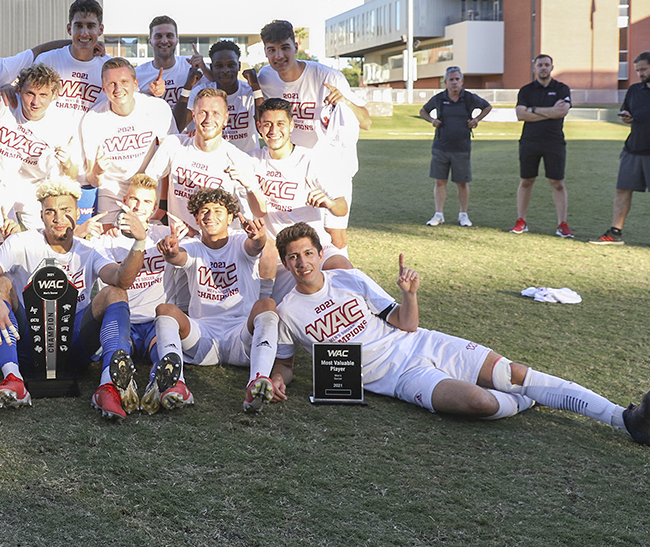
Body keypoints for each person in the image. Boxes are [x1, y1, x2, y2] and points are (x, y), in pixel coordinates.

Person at [265, 222, 650, 445]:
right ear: (285, 263)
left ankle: (625, 419)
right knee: (481, 402)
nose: (302, 263)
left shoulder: (349, 278)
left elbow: (406, 323)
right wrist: (276, 382)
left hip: (421, 342)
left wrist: (409, 294)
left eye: (308, 253)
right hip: (399, 378)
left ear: (319, 253)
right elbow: (285, 364)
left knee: (514, 373)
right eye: (293, 258)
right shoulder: (288, 311)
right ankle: (531, 399)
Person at [0, 178, 146, 411]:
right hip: (28, 344)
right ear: (41, 214)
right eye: (50, 211)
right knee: (0, 283)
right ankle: (13, 378)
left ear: (77, 213)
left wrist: (140, 242)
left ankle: (109, 385)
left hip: (73, 346)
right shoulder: (22, 241)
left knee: (115, 293)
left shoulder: (89, 250)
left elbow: (121, 279)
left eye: (66, 211)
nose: (58, 218)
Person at [141, 187, 279, 416]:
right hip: (202, 337)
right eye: (204, 211)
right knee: (165, 310)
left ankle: (257, 380)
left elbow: (255, 245)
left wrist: (259, 236)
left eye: (218, 210)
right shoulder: (193, 246)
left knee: (267, 306)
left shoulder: (239, 242)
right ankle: (177, 383)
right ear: (196, 217)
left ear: (231, 217)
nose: (210, 216)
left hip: (240, 336)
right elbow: (179, 256)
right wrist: (171, 251)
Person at [254, 19, 370, 249]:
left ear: (296, 46)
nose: (278, 56)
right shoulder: (265, 76)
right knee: (295, 236)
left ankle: (341, 281)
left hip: (331, 165)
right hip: (294, 168)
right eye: (272, 50)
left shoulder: (328, 77)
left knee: (334, 235)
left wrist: (345, 101)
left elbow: (366, 121)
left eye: (285, 48)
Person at [87, 174, 176, 420]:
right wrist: (83, 232)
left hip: (153, 320)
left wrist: (177, 246)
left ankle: (160, 384)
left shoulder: (166, 236)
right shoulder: (104, 241)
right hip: (122, 321)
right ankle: (121, 383)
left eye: (146, 202)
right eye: (133, 199)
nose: (138, 206)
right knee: (120, 349)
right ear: (124, 200)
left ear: (155, 208)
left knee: (161, 345)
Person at [0, 64, 82, 227]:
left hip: (33, 190)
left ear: (54, 95)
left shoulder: (62, 124)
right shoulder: (2, 103)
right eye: (30, 93)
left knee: (40, 242)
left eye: (43, 95)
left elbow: (72, 175)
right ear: (19, 90)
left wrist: (67, 163)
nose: (36, 102)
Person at [143, 88, 258, 234]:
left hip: (218, 247)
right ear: (194, 116)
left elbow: (252, 213)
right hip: (179, 243)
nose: (208, 119)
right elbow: (147, 182)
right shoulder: (175, 144)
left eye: (216, 113)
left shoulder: (238, 159)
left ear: (226, 118)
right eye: (203, 112)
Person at [81, 57, 173, 228]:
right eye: (111, 84)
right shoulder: (93, 119)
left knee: (150, 241)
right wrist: (98, 172)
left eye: (124, 81)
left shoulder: (157, 108)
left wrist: (162, 202)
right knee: (108, 240)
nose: (118, 89)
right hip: (112, 188)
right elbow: (92, 180)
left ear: (135, 83)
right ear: (104, 88)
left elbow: (169, 155)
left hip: (148, 185)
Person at [419, 66, 492, 227]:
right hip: (441, 146)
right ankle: (438, 214)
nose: (454, 82)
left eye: (457, 79)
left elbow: (487, 106)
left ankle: (463, 215)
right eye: (451, 80)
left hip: (462, 147)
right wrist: (432, 121)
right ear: (445, 82)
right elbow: (423, 111)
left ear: (462, 81)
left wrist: (477, 119)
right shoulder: (439, 98)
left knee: (462, 183)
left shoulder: (469, 98)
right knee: (440, 182)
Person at [591, 52, 650, 245]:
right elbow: (629, 111)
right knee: (622, 191)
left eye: (643, 69)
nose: (640, 74)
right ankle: (615, 233)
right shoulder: (634, 90)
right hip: (632, 150)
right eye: (638, 70)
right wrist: (626, 115)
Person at [512, 54, 572, 237]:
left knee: (557, 183)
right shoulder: (526, 90)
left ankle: (562, 224)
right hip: (530, 141)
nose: (543, 68)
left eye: (546, 65)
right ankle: (521, 221)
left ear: (552, 67)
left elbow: (562, 111)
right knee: (526, 181)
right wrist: (549, 111)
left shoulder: (562, 89)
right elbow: (521, 114)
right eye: (540, 65)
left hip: (554, 142)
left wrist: (534, 110)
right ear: (534, 68)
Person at [33, 0, 108, 121]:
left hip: (91, 139)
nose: (84, 33)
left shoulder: (108, 68)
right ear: (69, 29)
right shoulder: (47, 60)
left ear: (100, 30)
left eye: (90, 26)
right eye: (78, 26)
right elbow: (25, 93)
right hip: (49, 138)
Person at [176, 40, 257, 152]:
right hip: (210, 162)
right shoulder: (200, 93)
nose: (225, 70)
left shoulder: (250, 92)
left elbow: (262, 125)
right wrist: (187, 87)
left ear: (239, 66)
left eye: (231, 65)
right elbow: (178, 127)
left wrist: (256, 89)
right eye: (219, 66)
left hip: (245, 161)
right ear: (212, 68)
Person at [135, 15, 205, 111]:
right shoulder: (137, 74)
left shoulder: (191, 66)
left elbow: (218, 85)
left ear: (177, 40)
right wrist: (149, 93)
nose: (164, 41)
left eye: (169, 36)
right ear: (150, 41)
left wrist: (204, 68)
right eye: (158, 36)